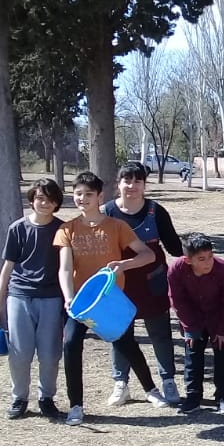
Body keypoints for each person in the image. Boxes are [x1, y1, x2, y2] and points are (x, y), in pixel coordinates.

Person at [55, 172, 167, 427]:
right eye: (78, 193)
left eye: (89, 194)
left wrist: (123, 265)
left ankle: (151, 390)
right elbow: (64, 268)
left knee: (126, 344)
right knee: (71, 345)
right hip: (80, 304)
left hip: (109, 301)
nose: (83, 199)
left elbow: (147, 255)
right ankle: (76, 406)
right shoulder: (67, 229)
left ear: (100, 197)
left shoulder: (116, 226)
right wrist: (69, 298)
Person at [103, 161, 183, 406]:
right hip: (119, 283)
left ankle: (168, 380)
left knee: (159, 333)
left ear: (144, 185)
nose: (132, 186)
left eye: (138, 181)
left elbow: (174, 247)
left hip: (152, 281)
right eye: (127, 180)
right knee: (120, 333)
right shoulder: (106, 212)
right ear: (119, 184)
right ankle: (121, 383)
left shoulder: (156, 211)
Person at [0, 178, 66, 420]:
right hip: (20, 296)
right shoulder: (18, 228)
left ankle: (47, 398)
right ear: (32, 199)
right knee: (20, 352)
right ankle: (19, 398)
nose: (44, 203)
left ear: (56, 204)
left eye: (50, 199)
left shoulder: (63, 230)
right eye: (40, 198)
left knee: (49, 352)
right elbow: (7, 267)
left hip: (52, 297)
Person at [167, 232, 224, 415]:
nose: (208, 263)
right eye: (201, 259)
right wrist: (190, 327)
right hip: (193, 317)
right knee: (193, 354)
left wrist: (223, 330)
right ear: (188, 260)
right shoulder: (176, 269)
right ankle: (193, 397)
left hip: (218, 316)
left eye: (210, 257)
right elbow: (177, 300)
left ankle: (223, 396)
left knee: (222, 354)